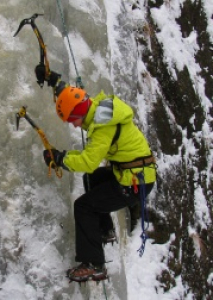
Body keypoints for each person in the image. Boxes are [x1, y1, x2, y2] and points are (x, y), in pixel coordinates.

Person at [35, 65, 156, 282]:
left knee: (83, 206)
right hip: (136, 173)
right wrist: (56, 82)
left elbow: (89, 161)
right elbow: (77, 98)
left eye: (73, 120)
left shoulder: (102, 128)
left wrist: (60, 158)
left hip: (135, 182)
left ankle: (93, 265)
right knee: (92, 179)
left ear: (80, 113)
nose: (73, 126)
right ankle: (104, 229)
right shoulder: (100, 108)